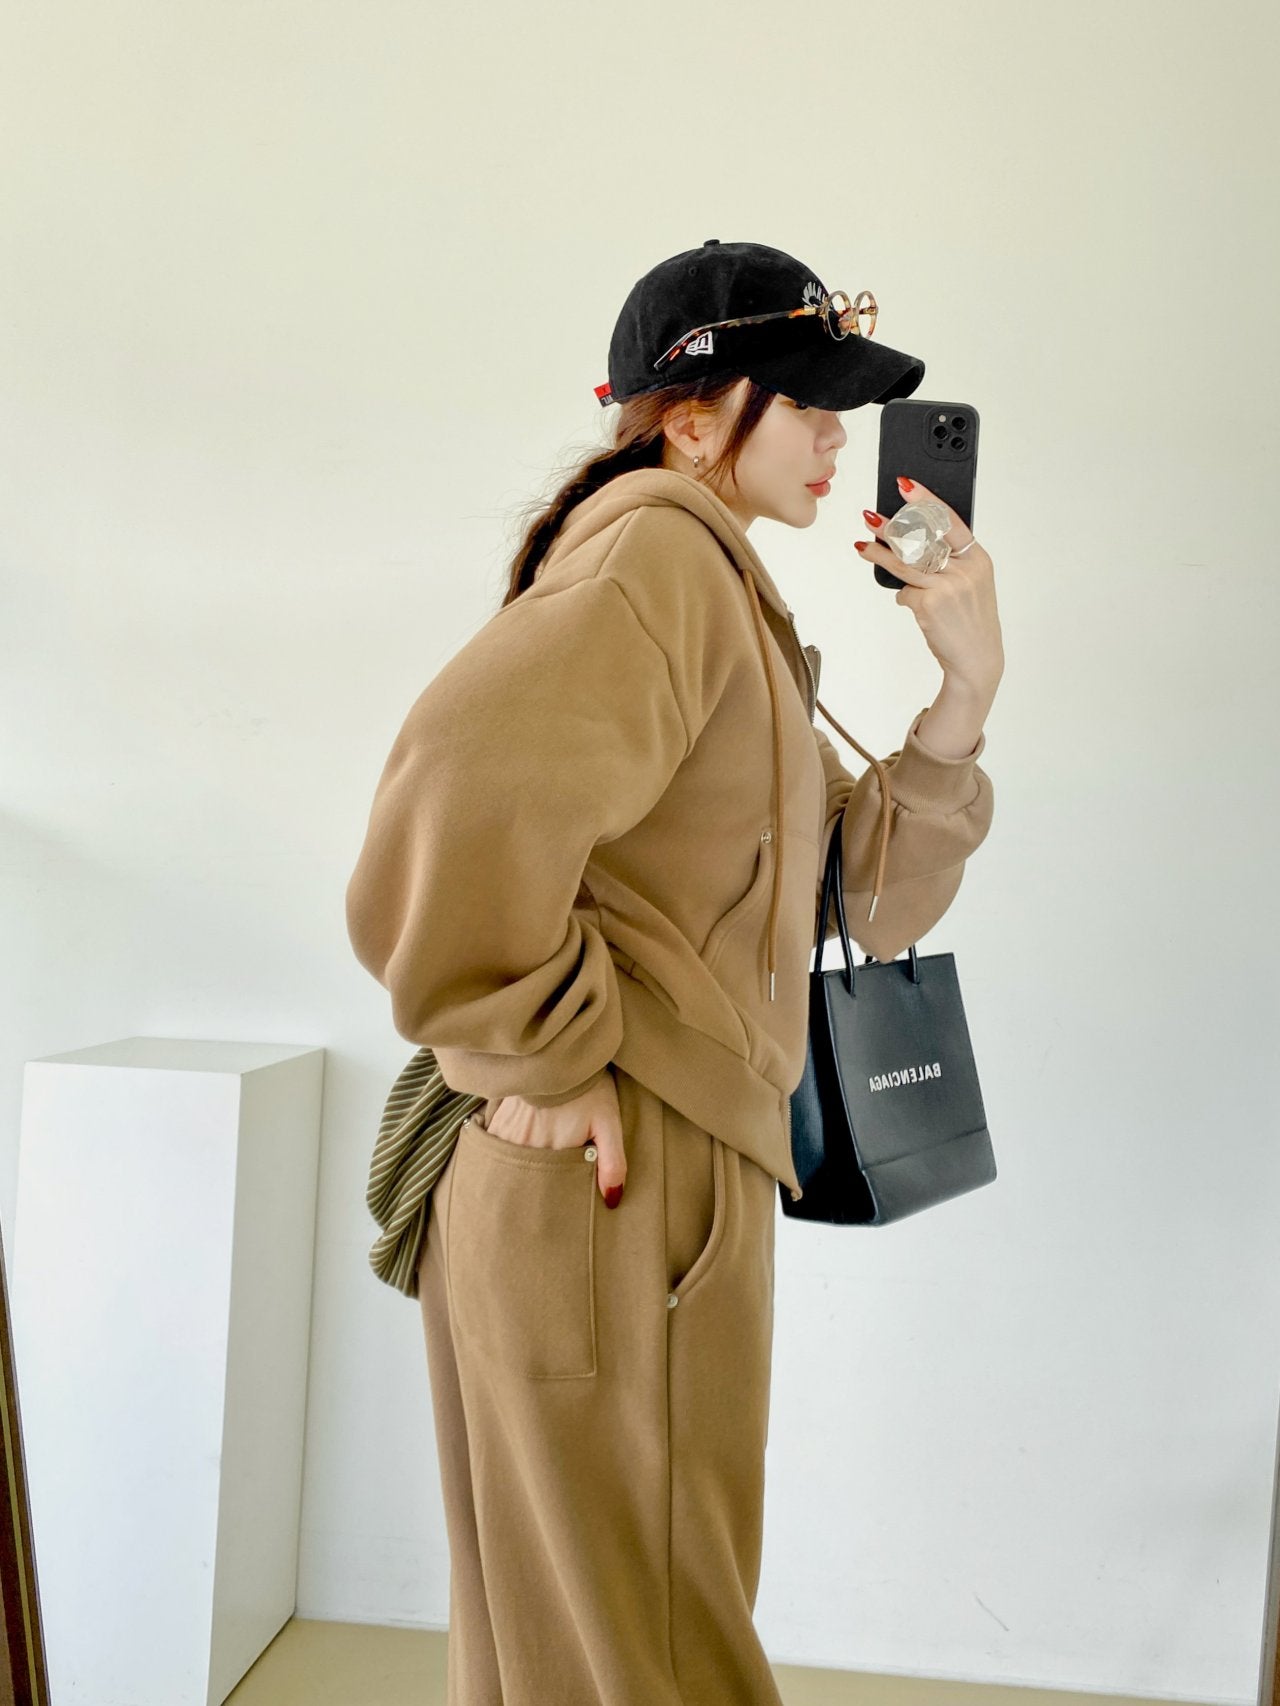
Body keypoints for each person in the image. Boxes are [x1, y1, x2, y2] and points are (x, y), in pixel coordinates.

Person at [345, 238, 1003, 1705]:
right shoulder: (657, 559)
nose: (837, 436)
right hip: (617, 1172)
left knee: (577, 1643)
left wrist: (963, 690)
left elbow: (858, 898)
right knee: (648, 1643)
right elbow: (453, 794)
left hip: (648, 1164)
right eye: (809, 402)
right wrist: (541, 1053)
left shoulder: (709, 581)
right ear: (696, 418)